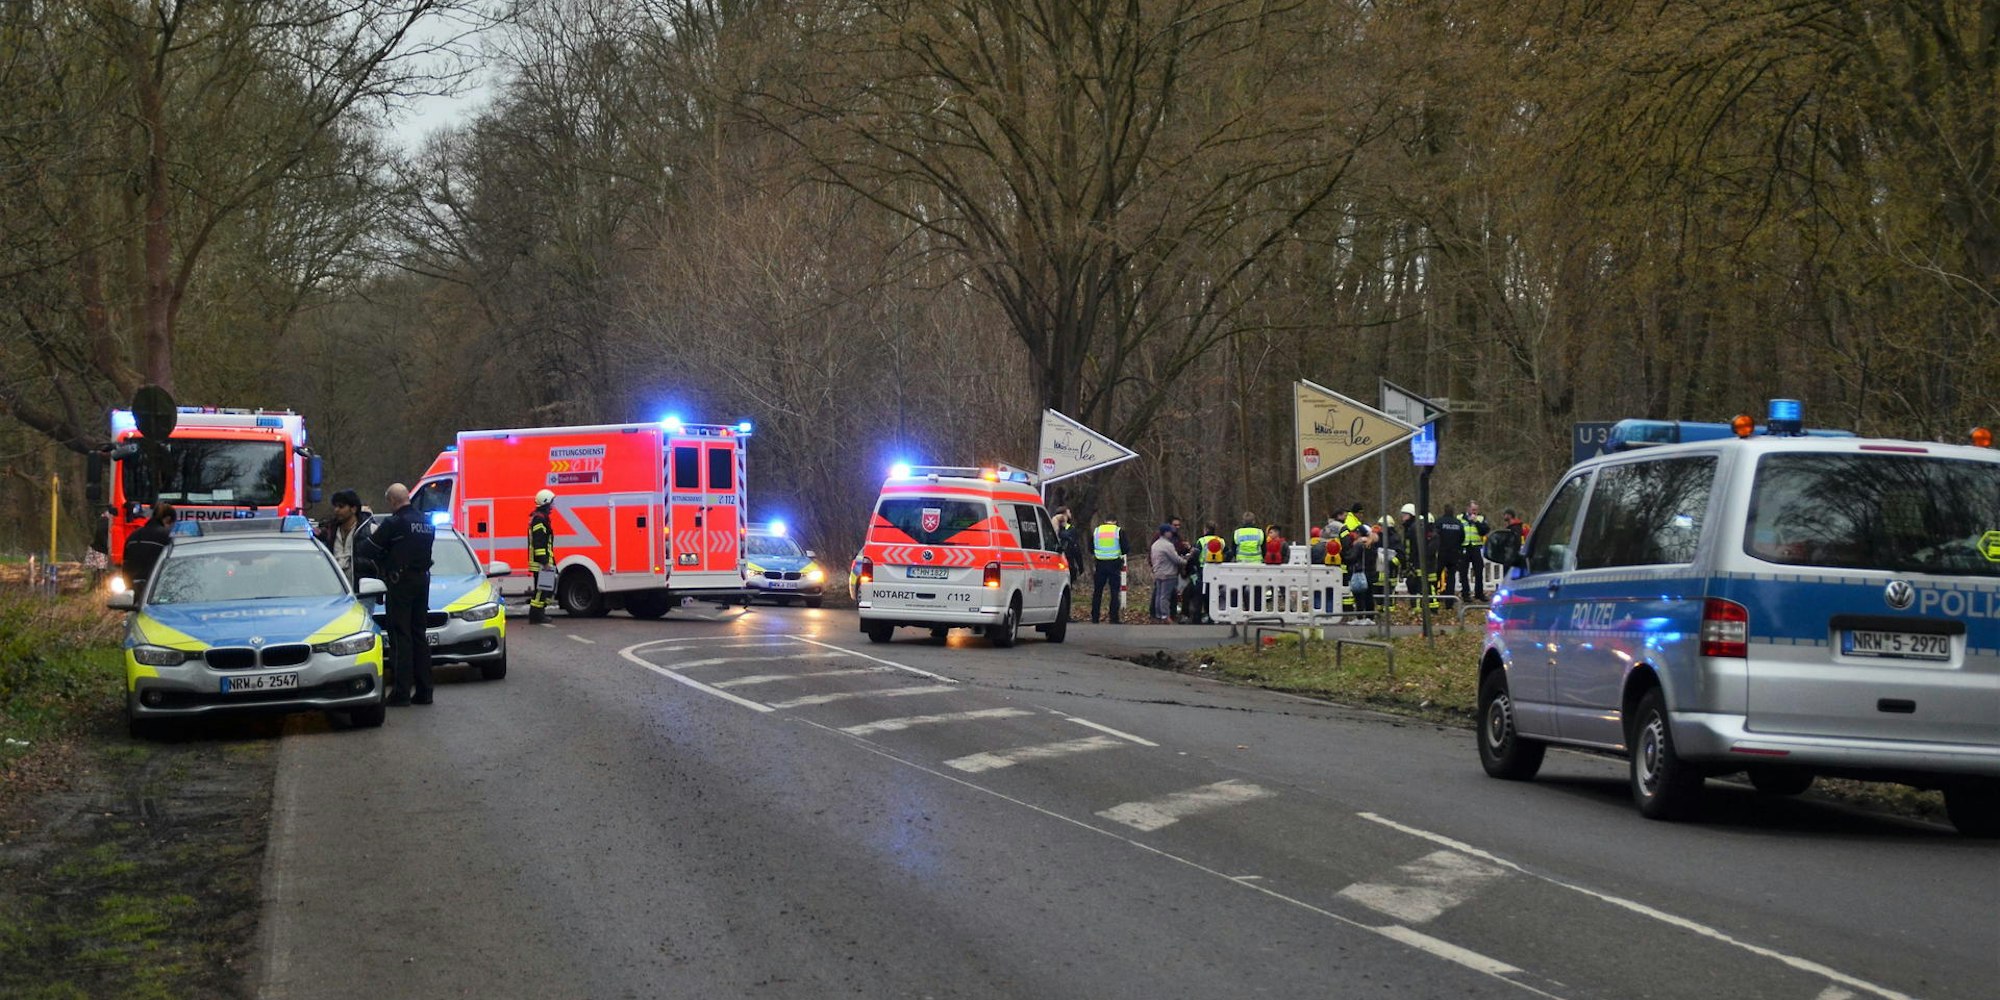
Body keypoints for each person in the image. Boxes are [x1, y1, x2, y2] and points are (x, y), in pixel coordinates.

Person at [361, 483, 436, 706]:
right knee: (418, 635)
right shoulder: (425, 522)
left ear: (393, 501)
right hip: (422, 580)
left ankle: (401, 692)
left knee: (400, 635)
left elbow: (368, 548)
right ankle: (425, 691)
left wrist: (385, 557)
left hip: (400, 582)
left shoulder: (395, 523)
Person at [315, 489, 376, 589]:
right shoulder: (330, 531)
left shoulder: (370, 530)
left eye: (341, 506)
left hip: (362, 593)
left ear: (353, 509)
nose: (336, 510)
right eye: (335, 506)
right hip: (334, 591)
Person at [123, 504, 176, 594]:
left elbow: (125, 562)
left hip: (132, 586)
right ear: (167, 519)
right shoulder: (168, 537)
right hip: (156, 588)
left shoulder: (134, 535)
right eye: (172, 524)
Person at [1089, 513, 1126, 624]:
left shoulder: (1097, 531)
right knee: (1114, 592)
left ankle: (1095, 617)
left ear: (1105, 520)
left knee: (1097, 592)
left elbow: (1090, 547)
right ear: (1115, 521)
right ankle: (1114, 617)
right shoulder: (1118, 531)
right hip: (1114, 564)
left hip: (1100, 564)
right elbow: (1125, 548)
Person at [529, 489, 557, 623]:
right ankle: (536, 616)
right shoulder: (539, 520)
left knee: (544, 589)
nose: (553, 505)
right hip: (541, 563)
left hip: (543, 562)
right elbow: (539, 542)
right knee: (541, 590)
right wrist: (544, 561)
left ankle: (539, 614)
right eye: (552, 502)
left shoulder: (541, 518)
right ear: (546, 503)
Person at [1148, 523, 1185, 622]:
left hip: (1158, 572)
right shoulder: (1168, 545)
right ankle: (1165, 616)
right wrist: (1185, 560)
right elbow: (1176, 559)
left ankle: (1158, 615)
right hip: (1168, 574)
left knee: (1159, 595)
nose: (1171, 534)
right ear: (1165, 533)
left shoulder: (1155, 545)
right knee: (1165, 596)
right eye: (1170, 532)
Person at [1461, 501, 1491, 601]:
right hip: (1464, 547)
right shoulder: (1460, 518)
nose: (1475, 512)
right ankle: (1465, 594)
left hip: (1476, 547)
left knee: (1479, 570)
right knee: (1463, 572)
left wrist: (1476, 522)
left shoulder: (1481, 518)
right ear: (1468, 509)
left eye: (1476, 510)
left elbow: (1485, 531)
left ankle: (1479, 593)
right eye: (1473, 509)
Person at [1437, 504, 1467, 602]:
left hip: (1441, 552)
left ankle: (1434, 597)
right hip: (1454, 553)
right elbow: (1462, 537)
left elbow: (1435, 536)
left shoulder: (1439, 522)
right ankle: (1449, 601)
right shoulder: (1458, 523)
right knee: (1451, 577)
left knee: (1436, 575)